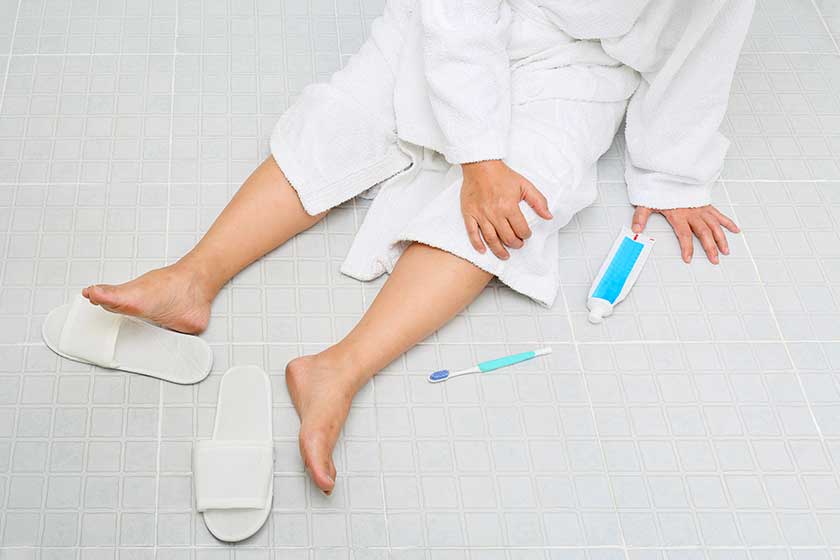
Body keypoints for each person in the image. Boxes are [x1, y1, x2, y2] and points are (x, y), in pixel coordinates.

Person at [81, 0, 754, 494]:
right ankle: (190, 279)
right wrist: (480, 157)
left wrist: (672, 172)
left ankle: (336, 371)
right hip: (470, 19)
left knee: (519, 208)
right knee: (342, 118)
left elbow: (707, 36)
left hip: (585, 66)